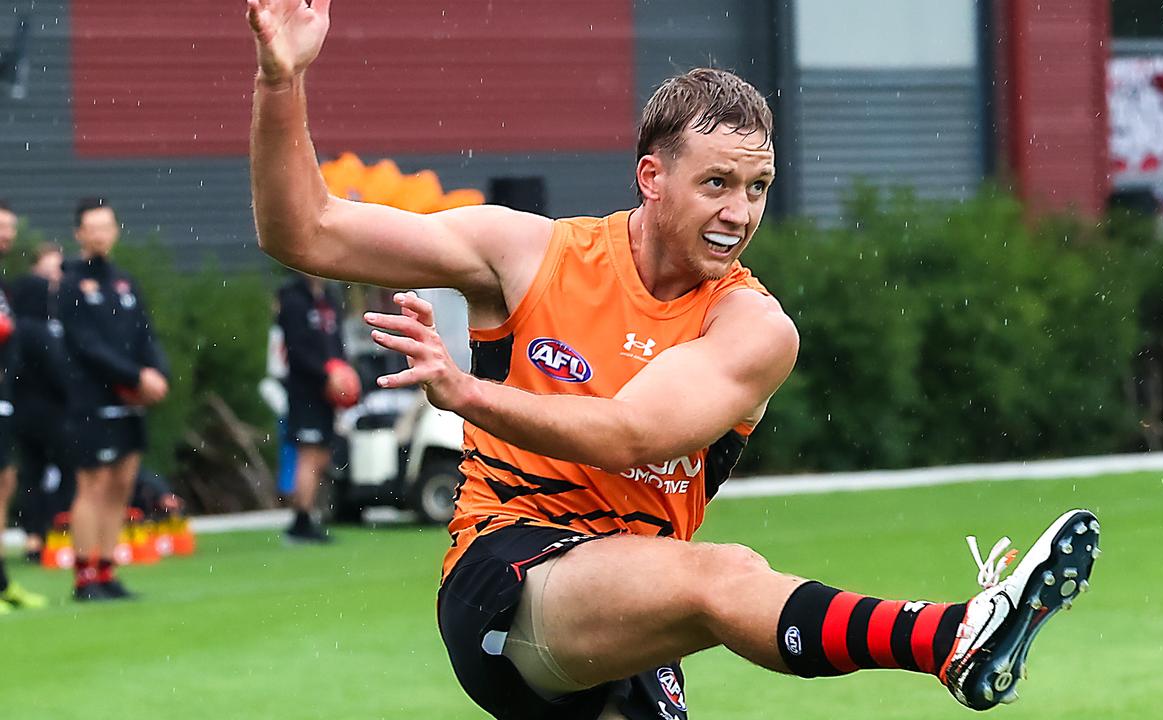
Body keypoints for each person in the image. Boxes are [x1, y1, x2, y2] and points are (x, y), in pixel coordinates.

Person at [246, 2, 1102, 717]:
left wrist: (468, 394)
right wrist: (281, 82)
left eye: (757, 187)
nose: (739, 211)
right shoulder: (525, 254)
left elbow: (628, 435)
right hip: (505, 580)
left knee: (710, 579)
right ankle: (950, 638)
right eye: (717, 183)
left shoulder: (753, 327)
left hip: (633, 620)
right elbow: (304, 231)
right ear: (652, 176)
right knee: (726, 575)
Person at [61, 197, 169, 602]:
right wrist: (133, 375)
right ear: (80, 234)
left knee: (122, 484)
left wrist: (156, 374)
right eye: (93, 227)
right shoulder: (71, 283)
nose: (101, 234)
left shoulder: (125, 282)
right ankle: (84, 575)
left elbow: (145, 335)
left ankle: (107, 569)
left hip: (131, 403)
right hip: (91, 401)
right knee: (93, 485)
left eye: (108, 226)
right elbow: (86, 345)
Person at [275, 271, 359, 543]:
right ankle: (300, 522)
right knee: (308, 455)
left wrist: (343, 374)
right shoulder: (294, 299)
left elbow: (336, 343)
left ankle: (309, 515)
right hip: (305, 390)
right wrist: (326, 376)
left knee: (321, 455)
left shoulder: (328, 299)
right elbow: (296, 349)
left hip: (327, 393)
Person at [12, 243, 75, 564]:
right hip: (49, 411)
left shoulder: (17, 326)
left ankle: (34, 537)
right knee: (69, 469)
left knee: (31, 475)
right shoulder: (41, 327)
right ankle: (56, 529)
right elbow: (59, 370)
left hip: (21, 411)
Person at [0, 199, 48, 613]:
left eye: (11, 227)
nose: (8, 234)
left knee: (5, 485)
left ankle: (1, 584)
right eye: (2, 226)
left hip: (5, 401)